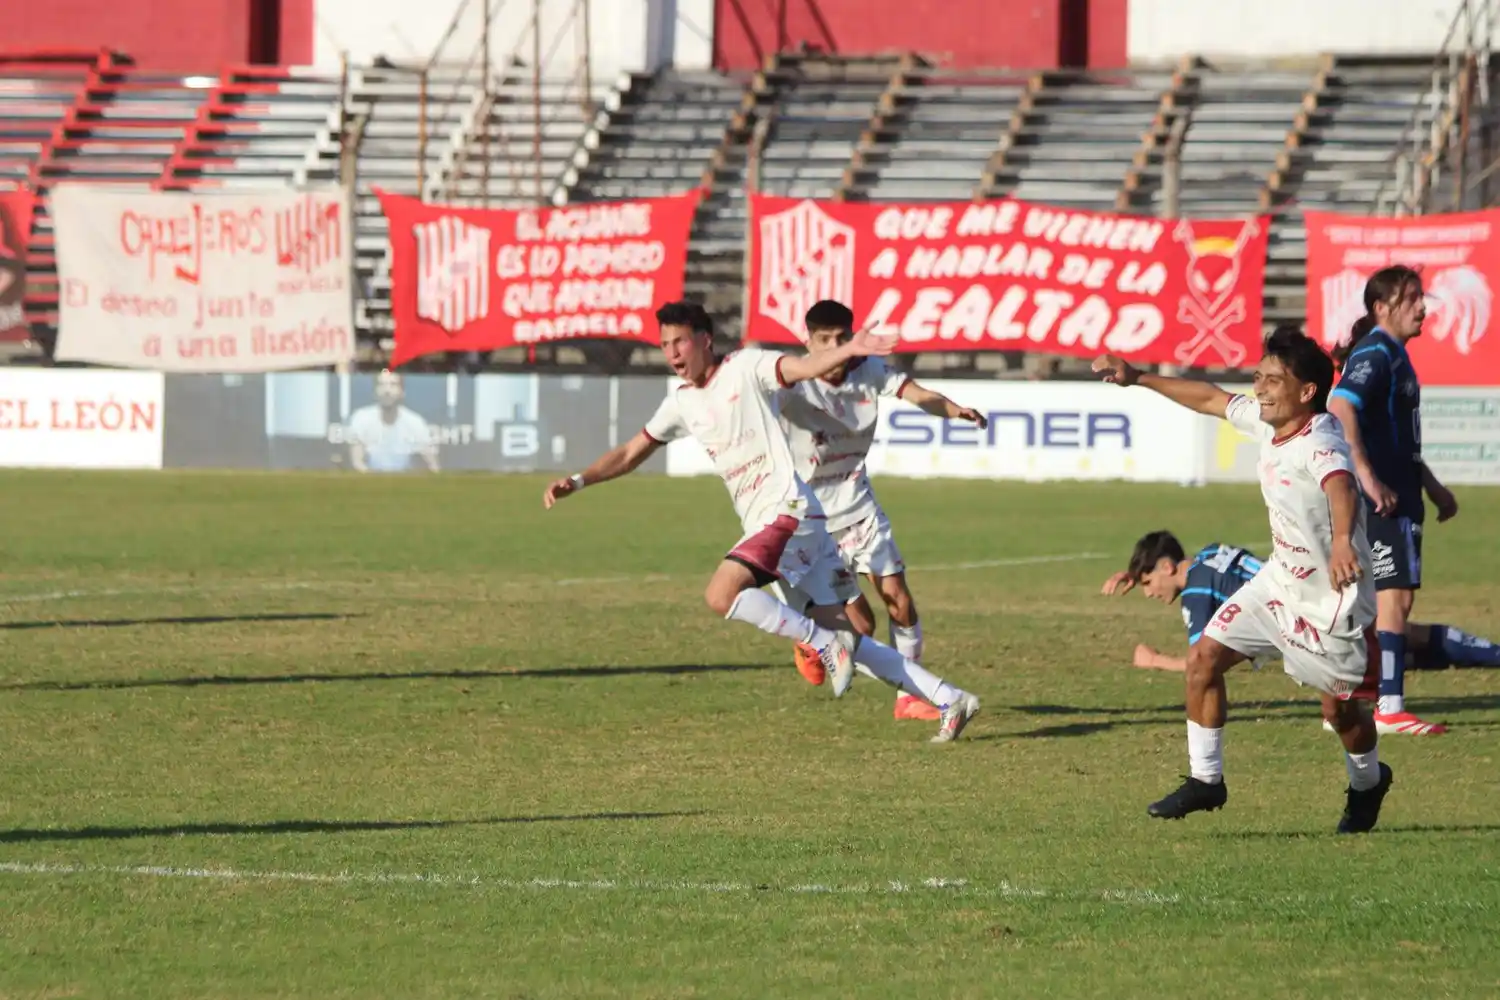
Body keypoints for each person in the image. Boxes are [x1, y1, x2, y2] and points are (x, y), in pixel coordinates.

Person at [543, 301, 981, 743]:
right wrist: (580, 480)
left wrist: (852, 348)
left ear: (705, 340)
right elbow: (631, 451)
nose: (672, 352)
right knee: (853, 637)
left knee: (722, 594)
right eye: (664, 345)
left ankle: (822, 644)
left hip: (788, 511)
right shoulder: (681, 402)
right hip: (782, 522)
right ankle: (948, 697)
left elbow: (803, 366)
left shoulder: (747, 367)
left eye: (679, 341)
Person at [1093, 327, 1393, 833]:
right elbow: (1210, 397)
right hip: (1278, 585)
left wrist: (1343, 540)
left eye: (1274, 379)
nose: (1260, 386)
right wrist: (1137, 377)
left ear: (1306, 393)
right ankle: (1207, 780)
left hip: (1333, 606)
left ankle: (1368, 782)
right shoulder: (1266, 420)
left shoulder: (1318, 438)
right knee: (1203, 659)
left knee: (1341, 716)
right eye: (1259, 375)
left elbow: (1339, 485)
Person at [779, 300, 989, 722]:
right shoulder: (791, 382)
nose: (835, 348)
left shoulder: (868, 371)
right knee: (861, 629)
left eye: (842, 339)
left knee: (899, 599)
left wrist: (952, 410)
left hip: (858, 506)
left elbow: (917, 393)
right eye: (825, 341)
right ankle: (815, 640)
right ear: (808, 341)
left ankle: (909, 699)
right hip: (812, 521)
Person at [1328, 267, 1466, 735]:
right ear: (1381, 308)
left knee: (1370, 598)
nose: (1422, 307)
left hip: (1399, 490)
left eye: (1421, 297)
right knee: (1395, 596)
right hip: (1386, 497)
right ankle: (1389, 706)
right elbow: (1341, 406)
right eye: (1411, 299)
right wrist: (1367, 477)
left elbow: (1394, 434)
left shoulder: (1393, 355)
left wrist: (1430, 483)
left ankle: (1348, 702)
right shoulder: (1378, 353)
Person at [1102, 530, 1500, 676]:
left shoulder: (1196, 593)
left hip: (1305, 622)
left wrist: (1153, 660)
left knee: (1379, 655)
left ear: (1169, 566)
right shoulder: (1209, 554)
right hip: (1312, 588)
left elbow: (1200, 662)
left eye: (1148, 582)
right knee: (1398, 639)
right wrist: (1134, 571)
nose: (1149, 592)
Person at [346, 370, 440, 474]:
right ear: (375, 392)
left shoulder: (415, 422)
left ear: (402, 392)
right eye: (382, 385)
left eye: (393, 385)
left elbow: (433, 466)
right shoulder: (361, 418)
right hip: (370, 482)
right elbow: (357, 463)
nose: (387, 390)